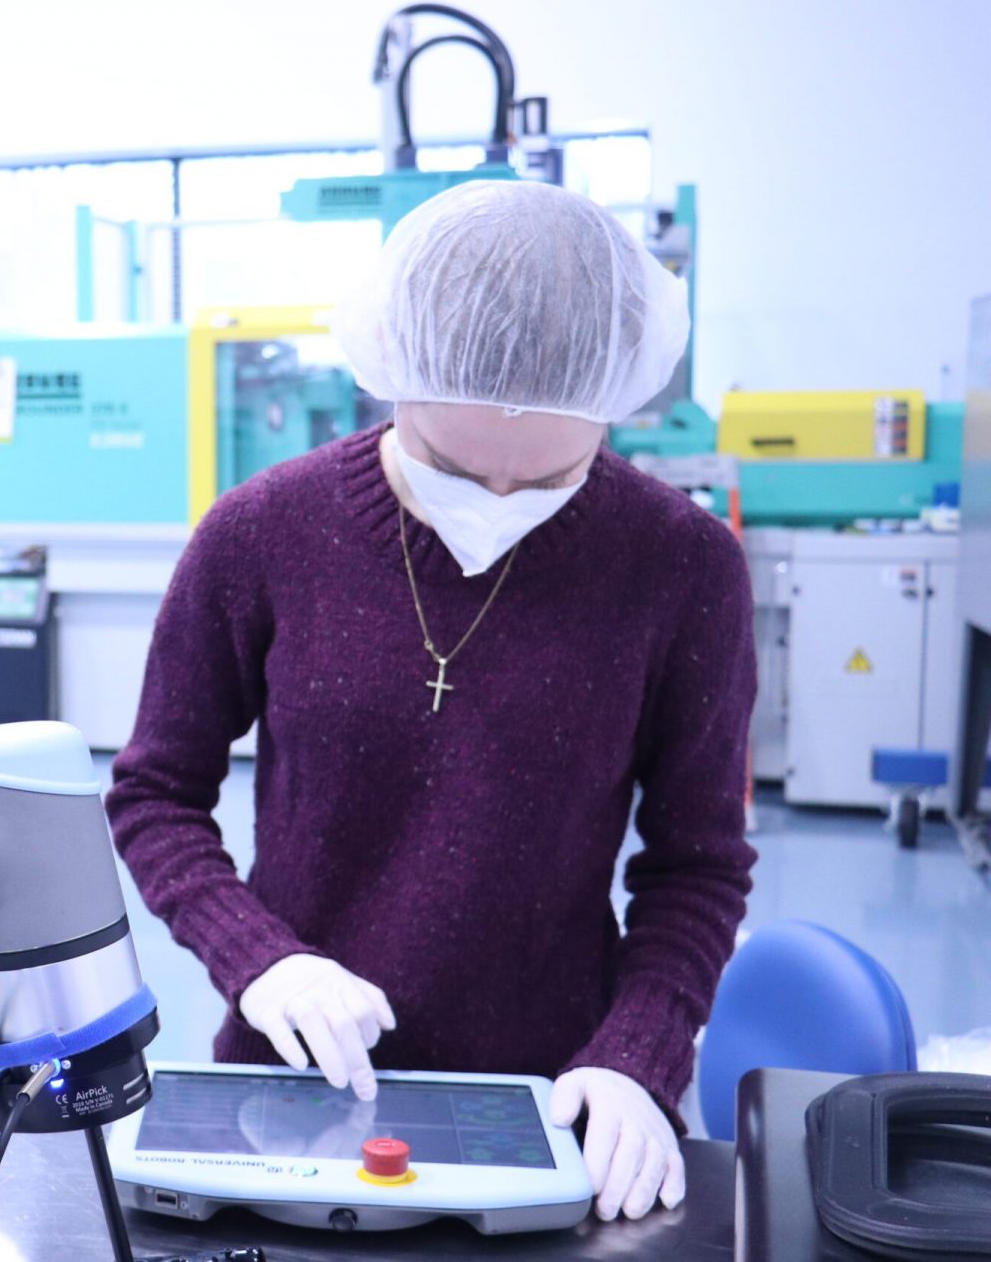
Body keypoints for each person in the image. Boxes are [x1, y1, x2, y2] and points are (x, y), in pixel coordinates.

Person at [106, 180, 756, 1225]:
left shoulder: (682, 566)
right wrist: (257, 958)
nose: (495, 506)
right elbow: (153, 793)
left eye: (546, 477)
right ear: (390, 370)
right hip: (292, 1086)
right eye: (453, 464)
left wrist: (642, 1052)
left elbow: (699, 864)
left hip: (554, 1105)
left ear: (615, 402)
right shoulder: (263, 532)